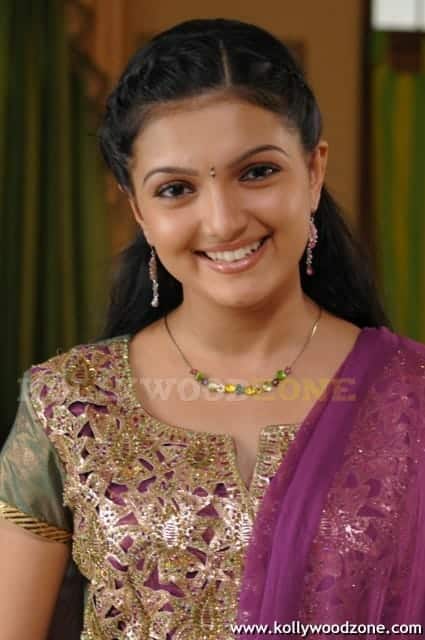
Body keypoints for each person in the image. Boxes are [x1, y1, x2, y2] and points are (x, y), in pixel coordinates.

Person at [1, 16, 424, 640]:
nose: (223, 221)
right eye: (176, 189)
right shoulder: (68, 402)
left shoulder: (413, 394)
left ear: (313, 171)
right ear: (137, 208)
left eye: (257, 172)